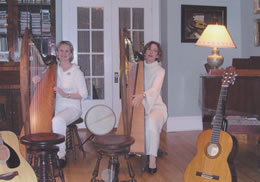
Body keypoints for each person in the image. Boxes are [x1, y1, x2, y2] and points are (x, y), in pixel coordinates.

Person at [132, 41, 168, 175]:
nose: (151, 52)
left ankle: (152, 158)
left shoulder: (160, 71)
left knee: (151, 122)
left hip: (156, 107)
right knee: (139, 121)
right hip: (140, 106)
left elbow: (155, 89)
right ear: (145, 52)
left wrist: (142, 95)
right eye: (149, 49)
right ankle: (138, 149)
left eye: (155, 50)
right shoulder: (137, 68)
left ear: (158, 55)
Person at [52, 41, 88, 168]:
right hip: (58, 106)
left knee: (57, 120)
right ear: (56, 53)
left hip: (72, 107)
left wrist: (65, 94)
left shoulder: (76, 72)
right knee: (46, 120)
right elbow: (44, 81)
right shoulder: (53, 69)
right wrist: (37, 79)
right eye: (61, 50)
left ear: (71, 54)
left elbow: (83, 94)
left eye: (67, 51)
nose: (63, 53)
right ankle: (49, 150)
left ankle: (61, 155)